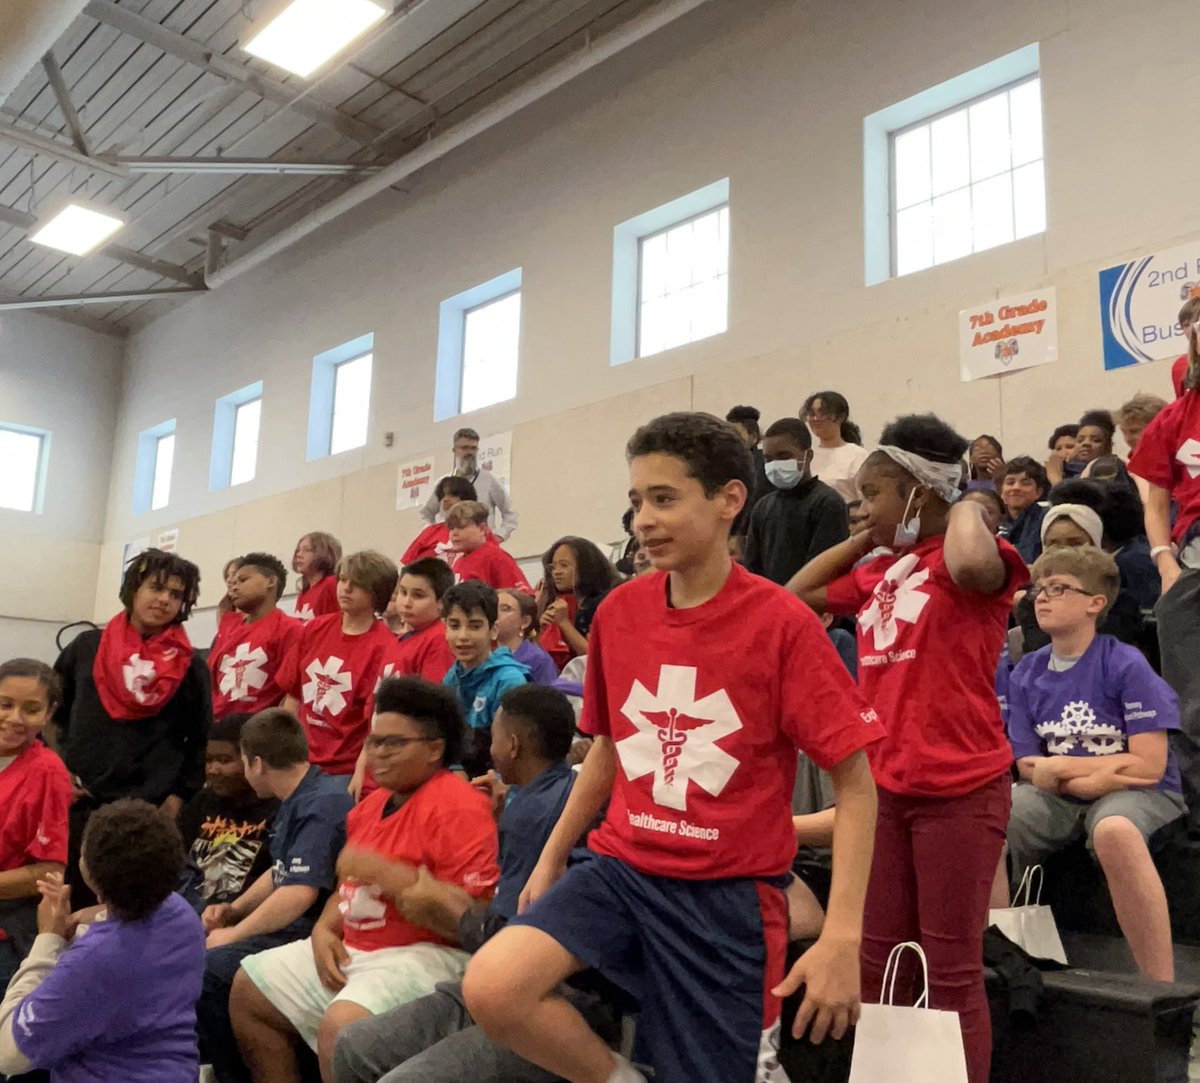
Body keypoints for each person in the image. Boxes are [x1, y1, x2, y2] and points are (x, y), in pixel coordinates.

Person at [463, 411, 882, 1083]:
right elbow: (607, 750)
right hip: (622, 870)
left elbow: (859, 786)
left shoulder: (782, 624)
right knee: (495, 984)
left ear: (728, 500)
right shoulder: (621, 614)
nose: (643, 520)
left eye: (663, 498)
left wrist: (841, 935)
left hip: (726, 902)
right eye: (635, 502)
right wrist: (548, 859)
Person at [789, 413, 1028, 1083]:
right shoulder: (879, 572)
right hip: (884, 789)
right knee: (878, 961)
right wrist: (867, 535)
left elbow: (973, 557)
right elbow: (797, 594)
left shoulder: (973, 563)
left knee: (950, 970)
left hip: (960, 786)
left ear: (920, 489)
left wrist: (966, 501)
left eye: (876, 490)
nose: (860, 503)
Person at [230, 678, 500, 1083]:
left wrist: (387, 874)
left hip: (426, 955)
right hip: (355, 949)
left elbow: (473, 922)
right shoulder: (369, 806)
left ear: (434, 748)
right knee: (248, 988)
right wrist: (323, 930)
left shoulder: (460, 806)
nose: (378, 754)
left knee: (343, 1030)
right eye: (374, 742)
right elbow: (346, 890)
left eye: (394, 743)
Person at [330, 683, 579, 1083]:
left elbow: (506, 938)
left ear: (511, 745)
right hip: (472, 972)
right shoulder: (526, 801)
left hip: (535, 991)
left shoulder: (526, 814)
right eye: (374, 743)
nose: (486, 747)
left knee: (379, 1059)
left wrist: (420, 892)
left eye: (492, 736)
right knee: (352, 1044)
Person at [1004, 546, 1185, 981]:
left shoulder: (1125, 662)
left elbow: (1147, 765)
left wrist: (1065, 770)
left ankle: (1161, 989)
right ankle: (1001, 965)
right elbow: (1028, 764)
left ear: (1094, 603)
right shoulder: (1026, 670)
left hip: (1142, 792)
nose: (1041, 598)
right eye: (1038, 589)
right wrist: (1073, 774)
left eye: (1058, 588)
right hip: (1061, 793)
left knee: (1115, 830)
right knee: (988, 815)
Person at [196, 708, 353, 1083]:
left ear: (256, 763)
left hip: (314, 928)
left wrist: (232, 936)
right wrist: (233, 909)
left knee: (210, 970)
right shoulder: (298, 795)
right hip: (294, 921)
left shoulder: (322, 802)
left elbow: (299, 892)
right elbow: (281, 871)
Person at [0, 800, 205, 1082]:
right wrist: (83, 918)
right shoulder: (181, 913)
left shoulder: (92, 962)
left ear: (90, 876)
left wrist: (47, 939)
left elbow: (7, 1053)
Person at [53, 548, 210, 908]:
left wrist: (176, 799)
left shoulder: (191, 666)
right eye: (156, 588)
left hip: (147, 812)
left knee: (131, 912)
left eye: (176, 594)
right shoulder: (86, 647)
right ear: (133, 589)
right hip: (80, 804)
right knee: (70, 908)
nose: (164, 599)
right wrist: (59, 770)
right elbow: (51, 712)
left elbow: (199, 739)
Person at [1129, 342, 1200, 821]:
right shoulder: (1173, 418)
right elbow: (1155, 503)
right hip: (1191, 561)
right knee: (1192, 701)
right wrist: (1164, 563)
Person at [278, 550, 399, 780]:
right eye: (343, 580)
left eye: (357, 584)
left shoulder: (385, 647)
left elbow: (373, 723)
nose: (346, 588)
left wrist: (360, 772)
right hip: (300, 761)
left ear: (377, 592)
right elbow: (293, 697)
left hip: (345, 769)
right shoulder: (314, 629)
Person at [0, 659, 71, 992]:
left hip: (7, 931)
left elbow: (49, 872)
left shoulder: (47, 772)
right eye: (5, 704)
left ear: (48, 712)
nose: (14, 718)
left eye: (30, 709)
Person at [177, 712, 278, 914]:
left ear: (253, 761)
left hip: (240, 913)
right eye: (209, 760)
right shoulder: (201, 803)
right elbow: (175, 860)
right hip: (189, 908)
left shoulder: (278, 808)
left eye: (224, 760)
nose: (213, 770)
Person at [743, 417, 849, 585]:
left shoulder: (827, 503)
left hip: (808, 604)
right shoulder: (762, 507)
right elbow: (752, 568)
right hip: (768, 602)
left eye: (784, 456)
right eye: (768, 459)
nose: (775, 464)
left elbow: (824, 570)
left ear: (808, 456)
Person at [442, 582, 530, 777]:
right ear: (445, 628)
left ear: (493, 630)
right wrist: (456, 770)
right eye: (454, 626)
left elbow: (519, 757)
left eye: (475, 626)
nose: (463, 636)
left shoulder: (509, 681)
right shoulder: (451, 678)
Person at [209, 553, 302, 721]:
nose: (235, 587)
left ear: (271, 582)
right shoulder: (228, 627)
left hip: (257, 727)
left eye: (243, 580)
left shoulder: (289, 629)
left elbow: (291, 692)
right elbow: (211, 683)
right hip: (216, 721)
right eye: (233, 582)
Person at [420, 429, 518, 541]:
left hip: (482, 545)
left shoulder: (489, 480)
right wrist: (434, 535)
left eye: (473, 448)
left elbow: (510, 514)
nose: (470, 452)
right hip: (449, 545)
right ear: (454, 450)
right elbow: (425, 514)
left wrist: (499, 536)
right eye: (465, 448)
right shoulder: (442, 484)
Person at [537, 537, 620, 667]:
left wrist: (563, 623)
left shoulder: (606, 603)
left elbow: (595, 657)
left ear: (586, 567)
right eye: (553, 567)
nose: (556, 572)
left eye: (564, 565)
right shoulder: (564, 601)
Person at [446, 502, 532, 591]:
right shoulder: (458, 563)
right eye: (451, 528)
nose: (454, 534)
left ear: (482, 529)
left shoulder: (496, 558)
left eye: (461, 527)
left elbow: (521, 596)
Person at [802, 391, 868, 503]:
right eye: (812, 414)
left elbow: (865, 500)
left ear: (841, 416)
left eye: (822, 413)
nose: (816, 419)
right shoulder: (806, 456)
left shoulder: (858, 455)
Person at [402, 477, 479, 565]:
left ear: (466, 497)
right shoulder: (430, 532)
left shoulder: (480, 532)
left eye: (452, 495)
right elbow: (408, 566)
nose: (445, 499)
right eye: (443, 496)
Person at [726, 405, 772, 540]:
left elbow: (756, 501)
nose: (732, 440)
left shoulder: (762, 464)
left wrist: (739, 536)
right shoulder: (727, 463)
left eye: (737, 434)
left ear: (753, 437)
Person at [497, 590, 559, 685]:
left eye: (505, 609)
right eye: (494, 608)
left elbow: (549, 697)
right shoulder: (483, 654)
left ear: (525, 622)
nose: (496, 614)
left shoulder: (539, 660)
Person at [997, 456, 1049, 563]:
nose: (1016, 487)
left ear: (1038, 492)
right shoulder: (995, 520)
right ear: (1001, 490)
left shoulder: (1047, 519)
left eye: (1025, 483)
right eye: (1010, 482)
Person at [293, 533, 343, 623]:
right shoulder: (303, 593)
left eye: (307, 550)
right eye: (298, 550)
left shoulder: (331, 584)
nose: (299, 555)